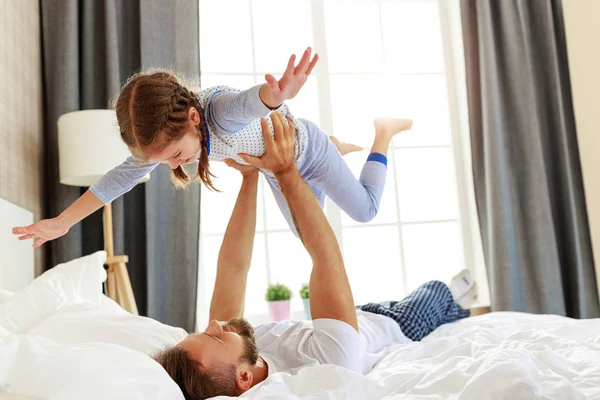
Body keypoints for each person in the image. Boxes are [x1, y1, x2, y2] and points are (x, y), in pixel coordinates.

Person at [153, 112, 478, 399]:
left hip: (348, 319)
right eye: (217, 337)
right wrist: (285, 171)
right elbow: (326, 257)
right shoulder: (329, 363)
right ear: (243, 378)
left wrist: (250, 177)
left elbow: (233, 269)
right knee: (438, 292)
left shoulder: (234, 344)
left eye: (204, 330)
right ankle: (383, 135)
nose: (213, 323)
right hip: (395, 324)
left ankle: (332, 150)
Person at [12, 47, 412, 246]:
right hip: (278, 169)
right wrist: (64, 221)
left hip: (304, 151)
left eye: (173, 155)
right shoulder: (180, 135)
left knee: (364, 211)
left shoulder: (216, 110)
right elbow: (116, 181)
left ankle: (382, 134)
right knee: (311, 237)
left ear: (191, 118)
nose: (174, 165)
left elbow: (246, 103)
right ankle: (335, 144)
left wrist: (274, 95)